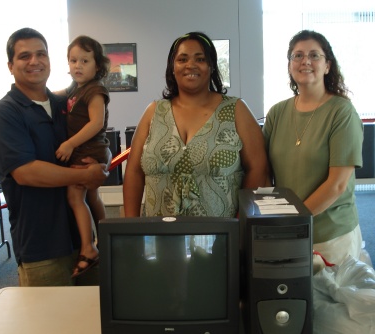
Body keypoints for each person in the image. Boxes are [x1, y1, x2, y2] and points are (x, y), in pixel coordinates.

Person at [0, 27, 110, 286]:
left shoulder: (63, 104)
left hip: (82, 240)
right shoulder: (5, 113)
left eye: (41, 54)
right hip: (42, 248)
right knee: (48, 325)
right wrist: (85, 174)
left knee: (93, 321)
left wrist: (102, 162)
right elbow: (27, 172)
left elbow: (94, 129)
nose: (34, 61)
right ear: (10, 65)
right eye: (24, 56)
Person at [123, 32, 269, 217]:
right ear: (172, 68)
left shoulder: (236, 109)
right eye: (182, 59)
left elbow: (258, 168)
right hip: (159, 237)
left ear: (211, 66)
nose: (190, 65)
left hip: (220, 237)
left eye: (200, 59)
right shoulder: (154, 112)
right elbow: (134, 172)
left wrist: (240, 224)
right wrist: (131, 228)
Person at [262, 30, 363, 265]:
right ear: (289, 65)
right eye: (297, 55)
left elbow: (337, 185)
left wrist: (293, 221)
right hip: (287, 230)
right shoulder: (277, 113)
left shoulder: (342, 112)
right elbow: (264, 171)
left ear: (327, 66)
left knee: (331, 302)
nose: (305, 61)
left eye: (314, 55)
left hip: (331, 236)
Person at [55, 36, 111, 278]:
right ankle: (106, 236)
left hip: (86, 150)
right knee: (92, 195)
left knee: (74, 196)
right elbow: (59, 95)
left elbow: (97, 122)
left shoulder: (95, 90)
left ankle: (88, 249)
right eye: (73, 60)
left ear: (97, 66)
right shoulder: (76, 89)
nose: (77, 65)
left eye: (84, 61)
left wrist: (69, 143)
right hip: (90, 149)